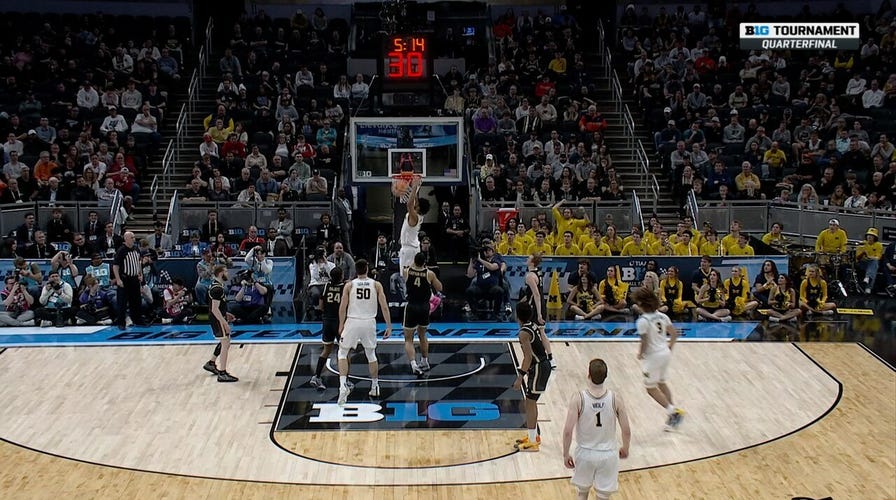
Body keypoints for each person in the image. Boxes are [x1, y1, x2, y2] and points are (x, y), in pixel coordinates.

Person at [562, 358, 631, 500]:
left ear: (588, 375)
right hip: (608, 454)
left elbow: (568, 431)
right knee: (603, 496)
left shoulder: (578, 398)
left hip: (585, 453)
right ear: (606, 376)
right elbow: (626, 430)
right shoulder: (615, 398)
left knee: (582, 493)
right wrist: (625, 447)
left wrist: (565, 454)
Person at [337, 259, 392, 405]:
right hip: (369, 322)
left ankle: (342, 385)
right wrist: (389, 325)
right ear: (367, 269)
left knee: (342, 353)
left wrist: (341, 324)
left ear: (356, 270)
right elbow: (384, 306)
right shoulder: (376, 284)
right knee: (371, 354)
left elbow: (342, 307)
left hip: (352, 321)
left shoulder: (349, 285)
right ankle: (375, 386)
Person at [631, 286, 685, 431]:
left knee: (650, 388)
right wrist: (669, 348)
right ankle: (672, 414)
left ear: (641, 304)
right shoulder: (663, 316)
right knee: (661, 383)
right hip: (665, 353)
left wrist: (640, 353)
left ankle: (673, 412)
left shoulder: (642, 321)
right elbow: (674, 334)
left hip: (653, 356)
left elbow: (644, 341)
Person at [512, 301, 552, 452]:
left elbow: (527, 357)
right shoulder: (532, 325)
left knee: (529, 403)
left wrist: (519, 377)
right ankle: (533, 436)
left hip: (539, 367)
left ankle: (533, 439)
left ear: (517, 315)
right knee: (531, 402)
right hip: (540, 365)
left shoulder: (523, 333)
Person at [403, 252, 443, 375]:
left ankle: (414, 364)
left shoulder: (407, 271)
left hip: (412, 306)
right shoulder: (429, 274)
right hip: (424, 307)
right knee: (422, 335)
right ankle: (425, 361)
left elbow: (409, 268)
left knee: (408, 339)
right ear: (425, 262)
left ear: (414, 260)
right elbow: (440, 287)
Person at [309, 267, 346, 390]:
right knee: (344, 352)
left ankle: (316, 376)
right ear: (341, 276)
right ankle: (345, 381)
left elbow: (320, 306)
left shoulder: (326, 286)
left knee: (326, 350)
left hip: (327, 321)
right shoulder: (344, 288)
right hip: (339, 322)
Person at [202, 266, 239, 382]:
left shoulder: (216, 286)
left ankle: (211, 363)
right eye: (226, 271)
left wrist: (226, 313)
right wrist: (224, 323)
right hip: (217, 319)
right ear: (220, 273)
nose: (228, 273)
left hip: (219, 317)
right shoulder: (217, 289)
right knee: (225, 343)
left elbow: (217, 306)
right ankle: (222, 373)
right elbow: (214, 309)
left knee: (225, 342)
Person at [519, 253, 555, 367]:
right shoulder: (538, 272)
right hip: (540, 305)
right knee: (542, 332)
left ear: (533, 262)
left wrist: (539, 314)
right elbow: (531, 293)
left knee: (525, 333)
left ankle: (528, 360)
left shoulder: (530, 276)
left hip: (534, 307)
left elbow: (536, 295)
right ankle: (550, 358)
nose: (526, 259)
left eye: (528, 258)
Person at [112, 231, 146, 328]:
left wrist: (140, 274)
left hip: (135, 279)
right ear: (126, 239)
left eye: (134, 237)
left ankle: (138, 320)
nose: (134, 239)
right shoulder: (121, 250)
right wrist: (118, 279)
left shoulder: (136, 249)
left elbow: (139, 262)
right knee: (122, 302)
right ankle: (121, 322)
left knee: (136, 301)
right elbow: (115, 266)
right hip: (125, 279)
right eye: (132, 237)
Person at [399, 177, 430, 271]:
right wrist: (416, 187)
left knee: (406, 277)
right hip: (410, 248)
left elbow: (409, 204)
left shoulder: (415, 217)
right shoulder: (417, 214)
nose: (415, 202)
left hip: (410, 250)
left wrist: (414, 187)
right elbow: (414, 200)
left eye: (417, 203)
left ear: (419, 207)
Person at [307, 248, 335, 319]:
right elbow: (316, 277)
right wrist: (316, 263)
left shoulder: (331, 265)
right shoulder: (312, 265)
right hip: (315, 284)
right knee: (316, 294)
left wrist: (326, 263)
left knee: (329, 292)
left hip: (327, 284)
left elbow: (331, 276)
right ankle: (317, 310)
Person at [856, 227, 883, 294]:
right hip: (862, 263)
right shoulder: (862, 244)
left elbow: (878, 257)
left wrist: (869, 257)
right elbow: (857, 258)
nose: (869, 237)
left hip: (872, 263)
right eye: (868, 235)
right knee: (874, 265)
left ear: (875, 237)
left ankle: (867, 278)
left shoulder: (879, 245)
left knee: (874, 264)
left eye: (872, 236)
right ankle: (868, 287)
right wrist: (863, 253)